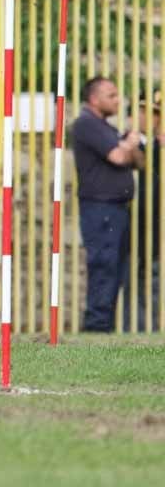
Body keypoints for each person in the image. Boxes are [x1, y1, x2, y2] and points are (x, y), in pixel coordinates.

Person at [71, 76, 143, 332]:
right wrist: (130, 144)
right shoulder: (86, 124)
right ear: (94, 98)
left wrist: (129, 145)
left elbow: (138, 162)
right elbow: (118, 156)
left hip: (116, 210)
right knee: (103, 265)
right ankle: (96, 326)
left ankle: (105, 326)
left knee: (115, 269)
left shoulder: (107, 128)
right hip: (100, 210)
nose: (117, 100)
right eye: (111, 95)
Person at [134, 91, 164, 332]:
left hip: (157, 225)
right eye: (143, 111)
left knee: (154, 281)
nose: (147, 117)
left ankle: (152, 331)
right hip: (132, 224)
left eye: (154, 113)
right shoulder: (123, 141)